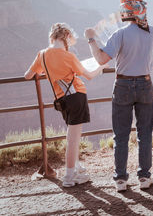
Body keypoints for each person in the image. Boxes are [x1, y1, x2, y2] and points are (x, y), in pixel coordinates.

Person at [84, 0, 153, 191]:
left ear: (124, 10)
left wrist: (91, 39)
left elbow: (101, 59)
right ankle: (145, 178)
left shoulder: (119, 34)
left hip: (123, 85)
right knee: (144, 134)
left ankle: (120, 179)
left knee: (121, 135)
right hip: (145, 85)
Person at [24, 23, 107, 187]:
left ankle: (75, 168)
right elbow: (89, 75)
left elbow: (28, 75)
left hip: (62, 100)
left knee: (71, 136)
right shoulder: (68, 56)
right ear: (67, 36)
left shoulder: (41, 54)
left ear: (52, 37)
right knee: (73, 139)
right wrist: (102, 66)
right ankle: (69, 177)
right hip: (76, 96)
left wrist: (45, 71)